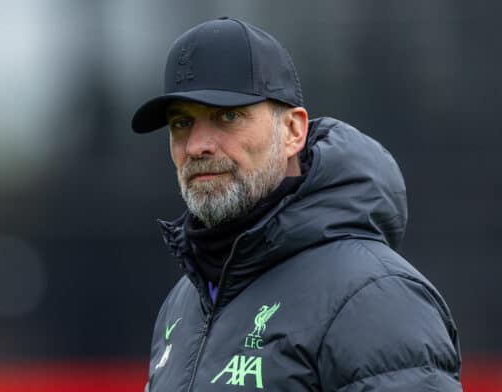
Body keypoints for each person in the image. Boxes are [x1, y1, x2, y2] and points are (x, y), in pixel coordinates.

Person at [131, 17, 462, 391]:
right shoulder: (184, 302)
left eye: (227, 116)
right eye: (181, 123)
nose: (196, 145)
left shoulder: (373, 297)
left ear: (292, 132)